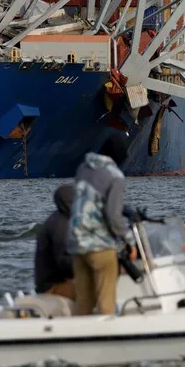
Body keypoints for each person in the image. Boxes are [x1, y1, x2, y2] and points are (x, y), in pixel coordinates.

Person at [68, 134, 130, 316]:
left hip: (76, 243)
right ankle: (107, 339)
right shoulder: (115, 175)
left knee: (83, 302)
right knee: (106, 302)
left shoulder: (82, 169)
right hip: (99, 245)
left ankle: (81, 340)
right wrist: (129, 241)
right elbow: (113, 216)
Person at [33, 184, 76, 300]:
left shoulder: (61, 219)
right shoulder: (60, 226)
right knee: (94, 289)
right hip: (52, 287)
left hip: (56, 281)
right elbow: (65, 261)